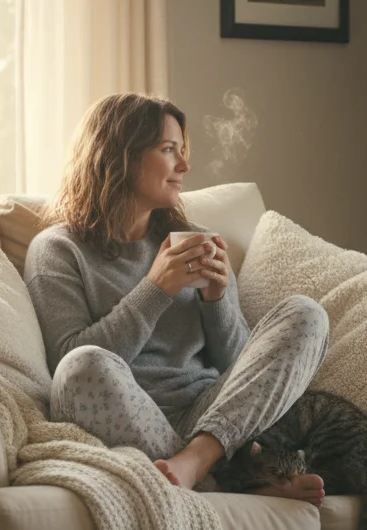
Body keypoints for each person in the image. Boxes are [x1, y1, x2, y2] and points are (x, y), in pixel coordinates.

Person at [24, 93, 330, 505]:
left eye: (182, 153)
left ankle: (196, 462)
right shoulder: (58, 250)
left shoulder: (193, 238)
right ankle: (232, 477)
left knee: (306, 314)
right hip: (129, 416)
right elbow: (68, 359)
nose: (184, 167)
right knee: (80, 368)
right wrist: (156, 289)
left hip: (213, 414)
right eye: (169, 151)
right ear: (120, 156)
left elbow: (238, 366)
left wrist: (217, 299)